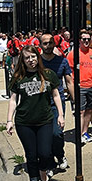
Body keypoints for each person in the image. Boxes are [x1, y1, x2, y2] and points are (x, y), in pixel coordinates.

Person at [6, 46, 64, 181]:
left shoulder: (48, 74)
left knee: (45, 153)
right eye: (27, 58)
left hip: (45, 119)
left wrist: (61, 115)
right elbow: (13, 100)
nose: (31, 60)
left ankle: (43, 172)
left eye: (33, 57)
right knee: (31, 155)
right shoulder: (18, 77)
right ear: (22, 61)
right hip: (24, 122)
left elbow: (56, 96)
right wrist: (9, 120)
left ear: (38, 57)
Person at [39, 33, 74, 171]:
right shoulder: (37, 62)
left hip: (57, 102)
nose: (48, 46)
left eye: (50, 43)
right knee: (44, 135)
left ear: (54, 44)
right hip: (40, 104)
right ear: (40, 45)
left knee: (57, 132)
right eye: (45, 43)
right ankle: (48, 161)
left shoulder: (62, 61)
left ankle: (60, 155)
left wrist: (75, 101)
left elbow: (69, 82)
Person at [67, 30, 92, 144]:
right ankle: (79, 134)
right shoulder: (73, 54)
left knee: (89, 111)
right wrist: (72, 86)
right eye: (84, 39)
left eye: (88, 39)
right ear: (79, 40)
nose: (86, 41)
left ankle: (84, 132)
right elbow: (69, 71)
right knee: (80, 111)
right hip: (80, 86)